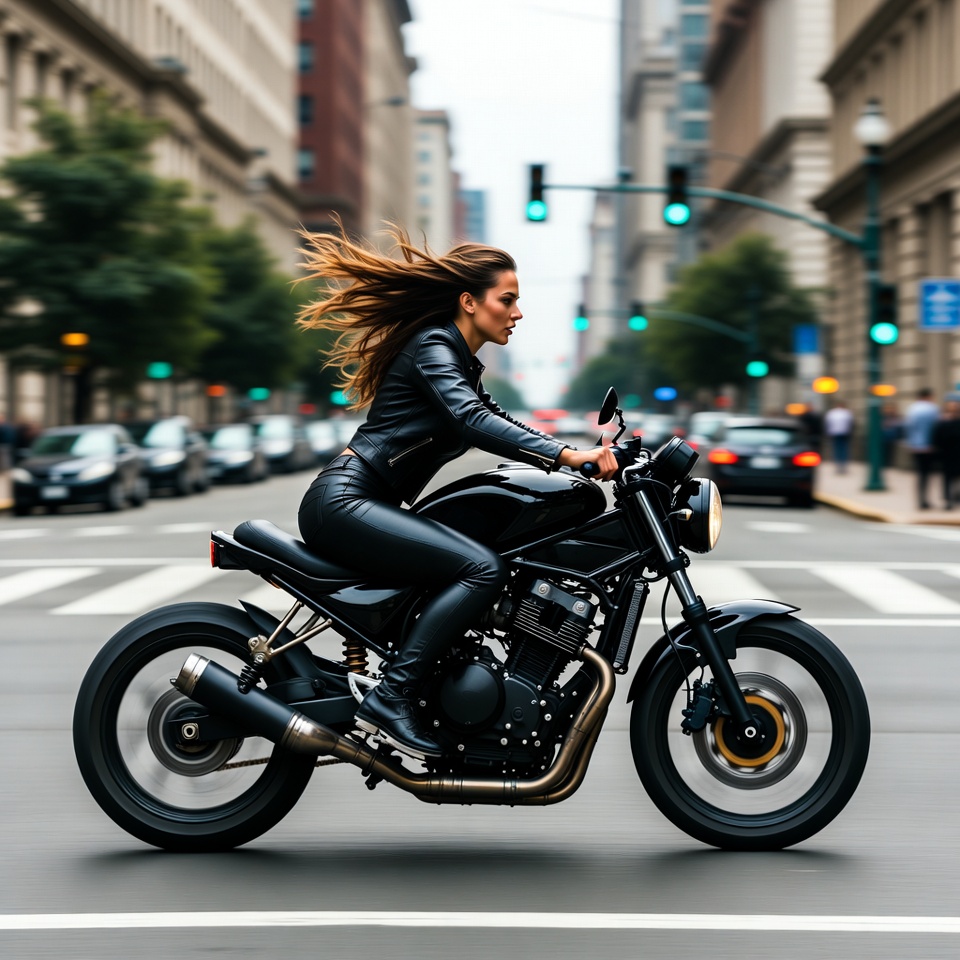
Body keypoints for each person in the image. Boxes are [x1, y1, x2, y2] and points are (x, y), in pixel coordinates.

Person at [295, 225, 618, 760]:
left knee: (488, 557)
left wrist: (573, 452)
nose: (517, 313)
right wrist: (568, 457)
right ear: (469, 302)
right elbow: (471, 420)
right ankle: (392, 696)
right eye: (507, 300)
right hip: (345, 502)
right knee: (482, 568)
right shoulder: (433, 346)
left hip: (366, 503)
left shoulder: (458, 360)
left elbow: (489, 415)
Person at [903, 387, 941, 509]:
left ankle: (920, 500)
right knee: (928, 474)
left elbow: (908, 428)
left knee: (920, 474)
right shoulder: (932, 409)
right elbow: (936, 428)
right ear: (928, 396)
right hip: (929, 446)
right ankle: (925, 500)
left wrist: (911, 444)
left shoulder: (912, 409)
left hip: (916, 447)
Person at [932, 400, 960, 509]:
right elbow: (937, 439)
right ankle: (948, 499)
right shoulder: (942, 422)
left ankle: (955, 496)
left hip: (956, 455)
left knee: (955, 478)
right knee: (947, 479)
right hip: (947, 455)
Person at [822, 400, 855, 473]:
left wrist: (828, 433)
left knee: (837, 449)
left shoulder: (832, 413)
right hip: (844, 433)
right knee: (843, 449)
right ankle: (842, 464)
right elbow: (851, 424)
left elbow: (827, 424)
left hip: (835, 433)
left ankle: (839, 464)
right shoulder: (847, 413)